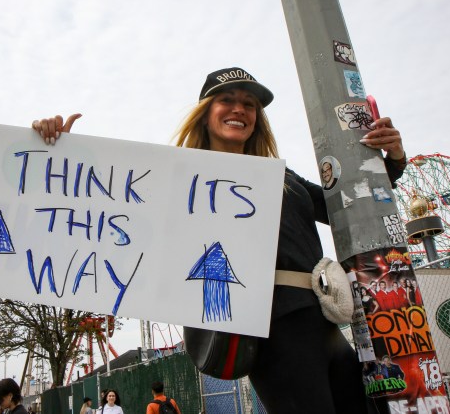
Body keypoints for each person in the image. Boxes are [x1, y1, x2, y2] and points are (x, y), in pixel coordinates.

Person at [32, 66, 407, 413]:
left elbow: (342, 205)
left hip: (323, 323)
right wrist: (56, 150)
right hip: (269, 328)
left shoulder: (282, 176)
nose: (239, 109)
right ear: (206, 113)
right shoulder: (176, 178)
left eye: (249, 103)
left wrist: (390, 159)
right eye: (227, 100)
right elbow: (108, 202)